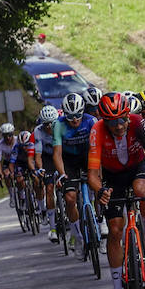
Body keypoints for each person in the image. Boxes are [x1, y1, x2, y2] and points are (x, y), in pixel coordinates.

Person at [88, 92, 145, 289]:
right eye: (112, 122)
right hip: (112, 177)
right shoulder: (97, 130)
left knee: (141, 190)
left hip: (137, 168)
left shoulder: (138, 123)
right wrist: (100, 191)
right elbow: (92, 174)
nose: (118, 126)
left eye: (121, 120)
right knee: (115, 229)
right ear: (104, 121)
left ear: (128, 116)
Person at [53, 92, 96, 248]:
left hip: (87, 156)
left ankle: (100, 220)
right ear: (65, 114)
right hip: (69, 161)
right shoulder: (58, 125)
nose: (75, 119)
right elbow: (57, 154)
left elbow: (96, 149)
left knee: (99, 185)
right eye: (70, 116)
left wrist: (97, 172)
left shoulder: (91, 121)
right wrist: (62, 174)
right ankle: (77, 236)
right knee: (70, 198)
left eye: (78, 115)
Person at [28, 105, 62, 242]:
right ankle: (52, 228)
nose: (49, 127)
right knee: (49, 188)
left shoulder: (62, 126)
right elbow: (38, 155)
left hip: (61, 155)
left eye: (52, 124)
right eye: (46, 124)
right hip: (47, 159)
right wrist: (40, 169)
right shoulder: (38, 131)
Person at [0, 123, 17, 188]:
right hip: (7, 161)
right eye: (5, 136)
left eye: (10, 135)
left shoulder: (18, 140)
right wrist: (0, 172)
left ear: (13, 134)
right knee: (6, 175)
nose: (8, 138)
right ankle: (11, 193)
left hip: (18, 160)